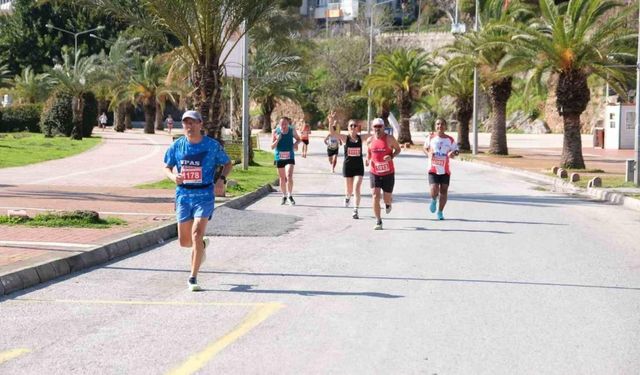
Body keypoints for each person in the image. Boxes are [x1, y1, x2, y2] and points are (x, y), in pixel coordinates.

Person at [163, 110, 233, 291]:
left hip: (204, 195)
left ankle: (193, 278)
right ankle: (201, 246)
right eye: (186, 123)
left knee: (196, 233)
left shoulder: (211, 146)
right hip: (183, 195)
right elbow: (167, 167)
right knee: (184, 242)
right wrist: (173, 177)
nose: (189, 126)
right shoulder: (177, 146)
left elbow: (227, 163)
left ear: (200, 124)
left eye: (193, 122)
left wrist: (221, 180)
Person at [333, 117, 371, 219]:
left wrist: (369, 155)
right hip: (348, 167)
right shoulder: (346, 138)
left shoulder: (360, 138)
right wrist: (331, 122)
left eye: (355, 125)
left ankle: (355, 210)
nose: (353, 127)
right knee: (349, 190)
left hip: (359, 167)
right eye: (351, 125)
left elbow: (373, 136)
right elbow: (333, 133)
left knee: (356, 188)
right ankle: (347, 197)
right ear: (348, 128)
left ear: (357, 128)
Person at [366, 117, 401, 230]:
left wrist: (391, 156)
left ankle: (388, 203)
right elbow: (369, 152)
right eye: (375, 126)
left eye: (379, 126)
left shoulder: (390, 139)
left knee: (387, 198)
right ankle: (378, 221)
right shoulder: (370, 140)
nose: (377, 129)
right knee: (375, 195)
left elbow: (398, 149)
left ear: (383, 127)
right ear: (372, 128)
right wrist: (367, 159)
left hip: (388, 173)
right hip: (374, 172)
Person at [423, 117, 459, 220]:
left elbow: (456, 151)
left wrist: (453, 153)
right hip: (433, 168)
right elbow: (425, 148)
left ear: (445, 126)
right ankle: (434, 200)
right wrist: (428, 153)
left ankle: (440, 212)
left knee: (444, 190)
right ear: (435, 126)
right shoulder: (430, 138)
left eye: (442, 124)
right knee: (434, 189)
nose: (440, 126)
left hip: (445, 169)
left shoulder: (450, 139)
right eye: (438, 124)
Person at [272, 116, 301, 205]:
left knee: (289, 175)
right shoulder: (275, 131)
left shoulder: (292, 130)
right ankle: (284, 196)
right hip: (279, 157)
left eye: (285, 123)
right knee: (282, 178)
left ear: (288, 124)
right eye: (282, 124)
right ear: (279, 124)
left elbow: (299, 139)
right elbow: (272, 146)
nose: (284, 125)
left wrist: (295, 144)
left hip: (289, 156)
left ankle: (290, 195)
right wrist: (277, 139)